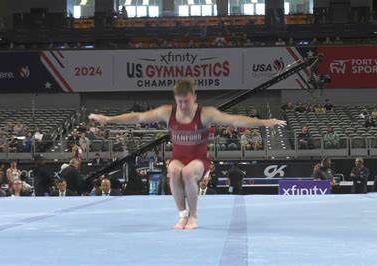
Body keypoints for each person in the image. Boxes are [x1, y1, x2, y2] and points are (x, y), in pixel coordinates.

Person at [89, 80, 285, 229]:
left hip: (199, 159)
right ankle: (182, 214)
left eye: (186, 101)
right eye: (179, 101)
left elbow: (234, 120)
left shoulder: (205, 113)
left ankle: (194, 216)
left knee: (188, 174)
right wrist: (110, 119)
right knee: (173, 172)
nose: (183, 105)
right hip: (178, 157)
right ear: (175, 99)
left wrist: (264, 122)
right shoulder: (168, 112)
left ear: (194, 97)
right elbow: (138, 117)